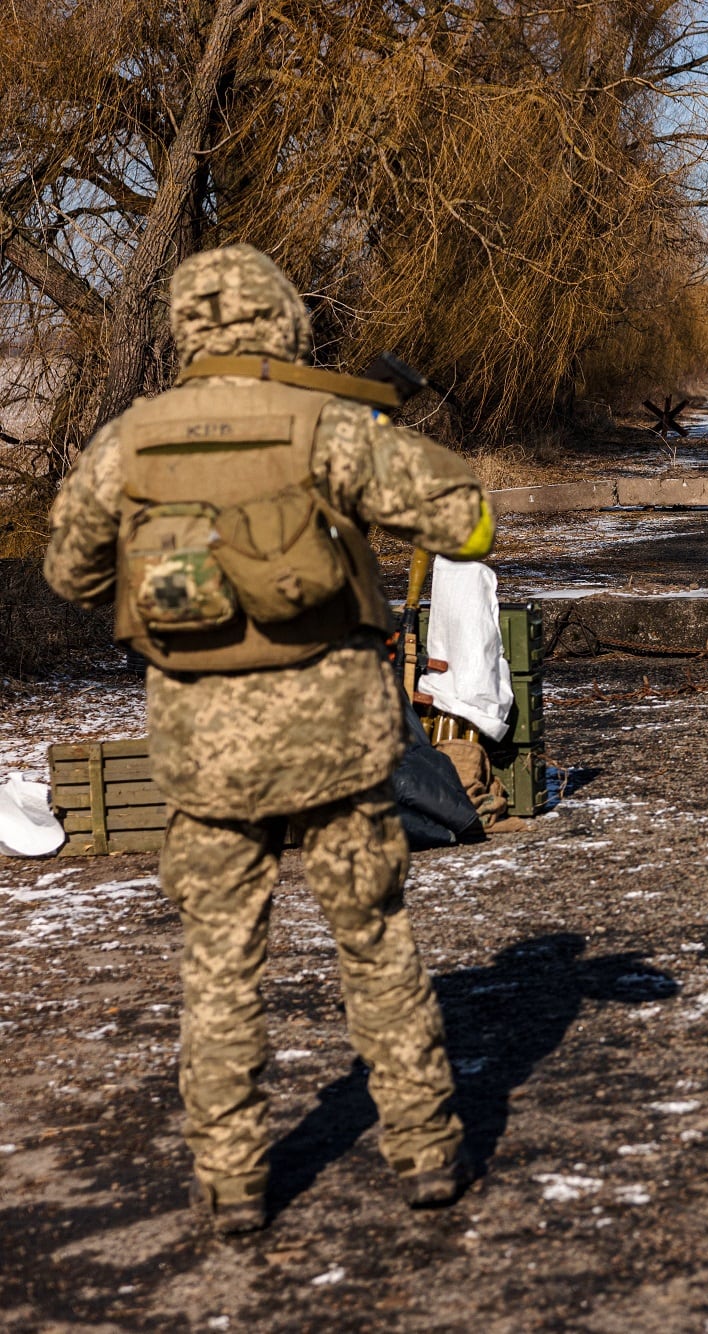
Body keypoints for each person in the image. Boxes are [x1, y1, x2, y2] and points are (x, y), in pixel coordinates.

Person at [43, 243, 495, 1233]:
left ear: (185, 332)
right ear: (283, 322)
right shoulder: (324, 422)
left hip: (203, 759)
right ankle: (423, 1151)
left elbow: (68, 576)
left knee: (217, 963)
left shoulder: (131, 440)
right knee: (375, 942)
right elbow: (468, 525)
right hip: (334, 743)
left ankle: (234, 1178)